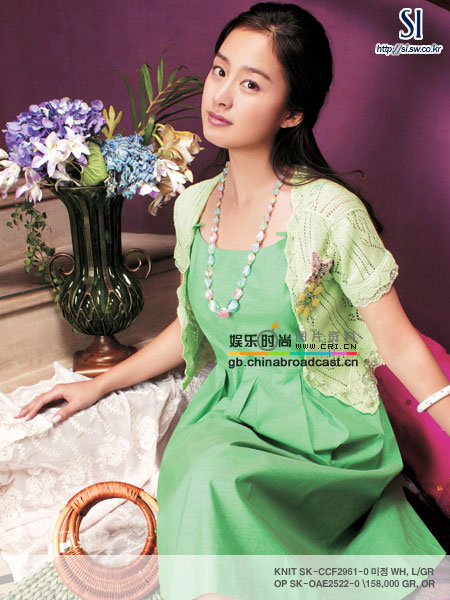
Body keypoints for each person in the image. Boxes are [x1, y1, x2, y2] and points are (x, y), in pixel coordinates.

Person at [15, 3, 450, 599]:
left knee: (218, 479)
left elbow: (397, 343)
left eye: (251, 84)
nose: (220, 95)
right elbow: (190, 325)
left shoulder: (329, 211)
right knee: (203, 473)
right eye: (220, 71)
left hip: (321, 429)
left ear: (292, 112)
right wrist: (99, 384)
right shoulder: (195, 205)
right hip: (229, 413)